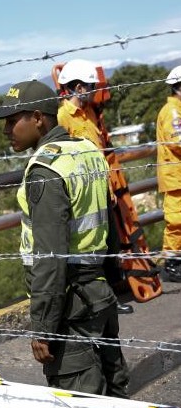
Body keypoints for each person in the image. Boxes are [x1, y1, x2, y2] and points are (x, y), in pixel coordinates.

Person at [0, 80, 131, 408]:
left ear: (40, 120)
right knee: (112, 390)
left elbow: (50, 258)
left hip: (69, 303)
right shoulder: (86, 151)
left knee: (87, 406)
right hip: (99, 292)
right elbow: (106, 221)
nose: (7, 129)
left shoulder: (45, 169)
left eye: (14, 120)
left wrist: (42, 328)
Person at [56, 59, 134, 315]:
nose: (92, 90)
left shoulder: (89, 113)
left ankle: (109, 297)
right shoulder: (63, 117)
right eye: (89, 85)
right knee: (91, 249)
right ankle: (97, 302)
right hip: (84, 193)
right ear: (78, 87)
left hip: (103, 189)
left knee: (109, 245)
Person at [156, 65, 181, 281]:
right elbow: (177, 141)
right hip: (175, 177)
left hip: (177, 175)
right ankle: (172, 264)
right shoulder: (173, 111)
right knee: (176, 221)